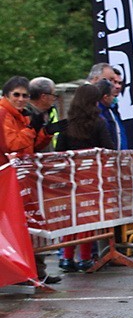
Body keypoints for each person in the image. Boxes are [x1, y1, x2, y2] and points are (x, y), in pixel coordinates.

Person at [0, 76, 60, 284]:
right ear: (6, 95)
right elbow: (12, 143)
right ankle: (18, 272)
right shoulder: (4, 114)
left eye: (24, 95)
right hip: (7, 179)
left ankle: (32, 270)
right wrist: (32, 128)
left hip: (19, 178)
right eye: (16, 95)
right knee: (13, 228)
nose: (21, 99)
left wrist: (45, 133)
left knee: (27, 226)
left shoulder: (22, 115)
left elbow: (29, 145)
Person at [55, 84, 117, 272]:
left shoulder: (66, 124)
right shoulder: (98, 123)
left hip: (70, 176)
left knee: (70, 218)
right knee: (87, 217)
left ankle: (66, 257)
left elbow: (59, 151)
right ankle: (85, 257)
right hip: (92, 176)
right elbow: (108, 148)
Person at [27, 77, 62, 151]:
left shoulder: (48, 111)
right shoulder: (25, 115)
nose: (54, 98)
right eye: (53, 95)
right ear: (44, 97)